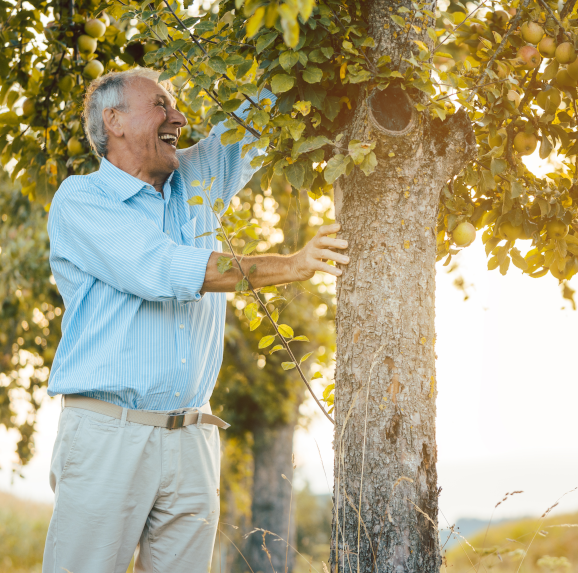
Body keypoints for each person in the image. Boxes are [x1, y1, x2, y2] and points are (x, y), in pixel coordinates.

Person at [42, 67, 349, 572]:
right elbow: (164, 268)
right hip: (107, 437)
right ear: (113, 120)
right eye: (161, 104)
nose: (178, 117)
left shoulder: (196, 177)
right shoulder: (82, 201)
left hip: (192, 438)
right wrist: (291, 265)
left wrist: (302, 30)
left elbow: (262, 112)